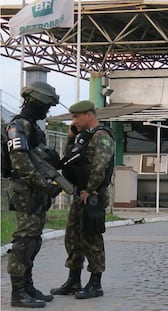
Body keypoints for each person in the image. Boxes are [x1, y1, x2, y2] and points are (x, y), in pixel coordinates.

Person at [50, 100, 115, 299]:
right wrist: (71, 138)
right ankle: (74, 279)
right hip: (81, 194)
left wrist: (90, 189)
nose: (74, 121)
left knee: (91, 236)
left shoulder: (102, 136)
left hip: (93, 195)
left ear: (89, 115)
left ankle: (95, 282)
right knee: (73, 236)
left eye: (76, 117)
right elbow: (70, 159)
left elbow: (100, 166)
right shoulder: (83, 137)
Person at [6, 81, 62, 308]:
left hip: (36, 191)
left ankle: (27, 286)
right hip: (26, 191)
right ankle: (18, 292)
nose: (47, 110)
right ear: (34, 102)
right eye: (45, 105)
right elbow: (20, 164)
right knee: (24, 241)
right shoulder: (17, 126)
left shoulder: (33, 127)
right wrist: (44, 185)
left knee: (34, 240)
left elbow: (39, 161)